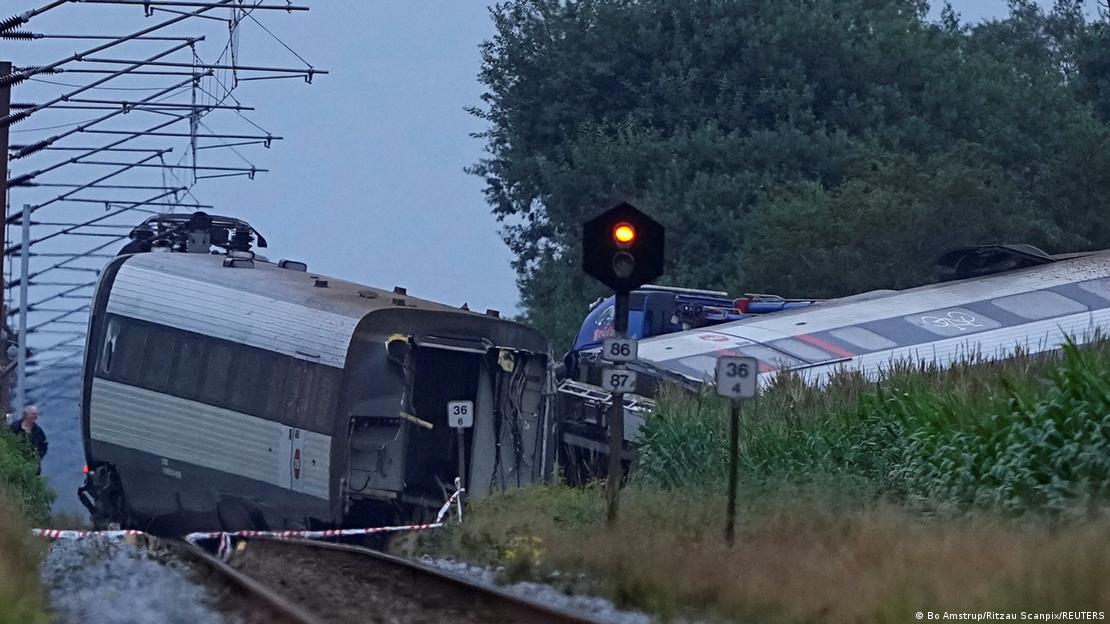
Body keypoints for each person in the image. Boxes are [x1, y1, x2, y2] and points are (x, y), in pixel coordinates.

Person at [8, 405, 47, 474]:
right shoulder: (14, 427)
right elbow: (7, 441)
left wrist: (38, 457)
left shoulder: (39, 431)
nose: (35, 416)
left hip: (33, 466)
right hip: (15, 463)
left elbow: (44, 445)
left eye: (36, 414)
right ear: (26, 415)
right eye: (33, 414)